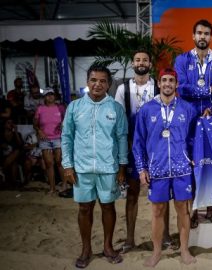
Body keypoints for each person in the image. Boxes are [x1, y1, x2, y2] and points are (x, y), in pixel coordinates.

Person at [61, 64, 128, 268]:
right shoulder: (74, 107)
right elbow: (67, 137)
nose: (97, 84)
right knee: (84, 208)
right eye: (93, 80)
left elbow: (122, 138)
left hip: (108, 167)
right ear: (87, 82)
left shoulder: (115, 108)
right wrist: (67, 165)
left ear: (108, 84)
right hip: (81, 168)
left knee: (108, 206)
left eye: (102, 81)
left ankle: (108, 247)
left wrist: (122, 167)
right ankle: (86, 249)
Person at [133, 68, 197, 267]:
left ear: (176, 84)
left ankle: (184, 250)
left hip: (182, 169)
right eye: (164, 80)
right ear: (158, 84)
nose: (168, 84)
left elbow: (195, 138)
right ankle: (157, 252)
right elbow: (138, 142)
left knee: (183, 210)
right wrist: (142, 169)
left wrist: (193, 159)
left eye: (171, 80)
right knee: (158, 211)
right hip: (157, 169)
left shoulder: (188, 109)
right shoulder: (146, 110)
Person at [114, 49, 173, 253]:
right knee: (132, 194)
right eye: (137, 60)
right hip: (133, 146)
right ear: (133, 64)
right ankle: (130, 239)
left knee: (162, 194)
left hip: (157, 148)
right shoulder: (123, 89)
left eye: (145, 60)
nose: (141, 63)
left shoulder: (158, 86)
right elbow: (120, 121)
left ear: (150, 64)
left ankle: (165, 236)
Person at [174, 19, 212, 227]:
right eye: (199, 33)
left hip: (211, 121)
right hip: (188, 121)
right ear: (193, 36)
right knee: (193, 165)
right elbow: (182, 88)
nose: (202, 37)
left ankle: (211, 208)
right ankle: (194, 210)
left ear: (211, 37)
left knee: (211, 166)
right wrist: (208, 90)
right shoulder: (182, 60)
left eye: (206, 33)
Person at [34, 88, 66, 195]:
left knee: (59, 161)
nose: (50, 97)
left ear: (55, 96)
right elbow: (35, 124)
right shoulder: (40, 109)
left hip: (58, 138)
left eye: (52, 94)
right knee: (48, 163)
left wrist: (63, 125)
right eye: (47, 95)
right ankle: (52, 188)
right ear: (44, 97)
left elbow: (67, 120)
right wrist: (39, 131)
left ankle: (64, 185)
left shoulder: (60, 108)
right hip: (45, 139)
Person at [0, 118, 23, 187]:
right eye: (8, 123)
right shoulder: (1, 134)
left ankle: (2, 171)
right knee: (14, 162)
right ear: (4, 125)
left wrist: (15, 132)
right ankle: (13, 182)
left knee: (17, 152)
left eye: (12, 122)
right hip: (2, 156)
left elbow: (20, 145)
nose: (11, 124)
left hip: (15, 156)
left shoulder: (17, 134)